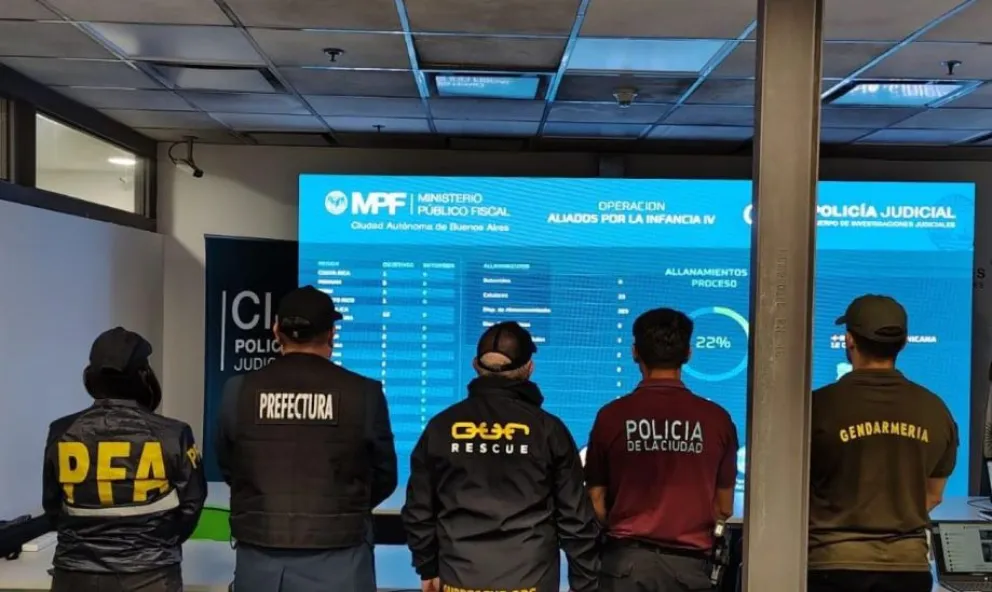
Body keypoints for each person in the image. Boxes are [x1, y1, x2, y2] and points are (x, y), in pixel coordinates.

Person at [215, 285, 397, 592]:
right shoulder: (364, 393)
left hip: (261, 558)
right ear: (331, 334)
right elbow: (385, 474)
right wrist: (345, 507)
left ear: (276, 330)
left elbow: (230, 464)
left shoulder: (239, 390)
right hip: (341, 559)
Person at [402, 321, 599, 592]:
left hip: (459, 581)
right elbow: (576, 521)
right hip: (530, 583)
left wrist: (427, 567)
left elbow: (418, 511)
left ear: (475, 365)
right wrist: (586, 585)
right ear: (529, 369)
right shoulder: (549, 430)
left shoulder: (441, 427)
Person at [808, 295, 958, 592]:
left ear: (849, 340)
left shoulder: (816, 406)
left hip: (833, 564)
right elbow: (934, 495)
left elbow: (788, 493)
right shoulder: (935, 409)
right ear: (903, 343)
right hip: (908, 567)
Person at [585, 308, 739, 592]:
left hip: (625, 568)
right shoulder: (717, 419)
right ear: (688, 353)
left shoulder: (611, 416)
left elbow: (596, 500)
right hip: (690, 570)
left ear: (635, 353)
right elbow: (724, 507)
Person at [42, 327, 206, 592]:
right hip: (151, 575)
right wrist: (156, 544)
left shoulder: (61, 431)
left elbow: (52, 506)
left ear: (90, 377)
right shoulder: (173, 433)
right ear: (144, 377)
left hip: (75, 574)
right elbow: (192, 503)